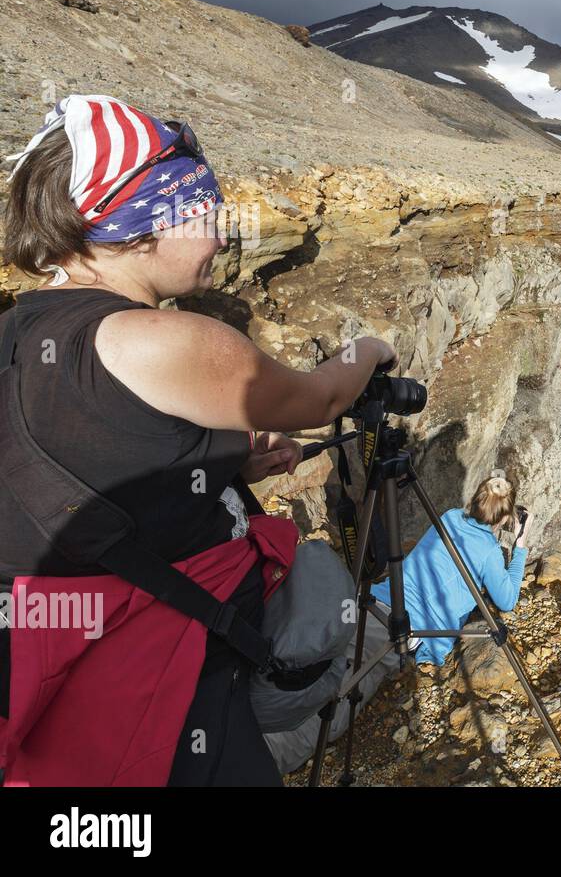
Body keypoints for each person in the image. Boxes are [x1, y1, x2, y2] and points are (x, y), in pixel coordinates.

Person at [0, 94, 397, 786]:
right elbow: (321, 399)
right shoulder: (164, 339)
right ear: (141, 225)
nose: (221, 236)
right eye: (205, 213)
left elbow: (75, 458)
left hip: (49, 662)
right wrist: (369, 350)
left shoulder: (18, 328)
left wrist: (221, 468)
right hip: (161, 673)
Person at [372, 472, 530, 666]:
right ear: (505, 518)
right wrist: (520, 546)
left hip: (377, 600)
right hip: (410, 629)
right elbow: (507, 601)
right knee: (354, 675)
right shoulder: (490, 551)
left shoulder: (450, 516)